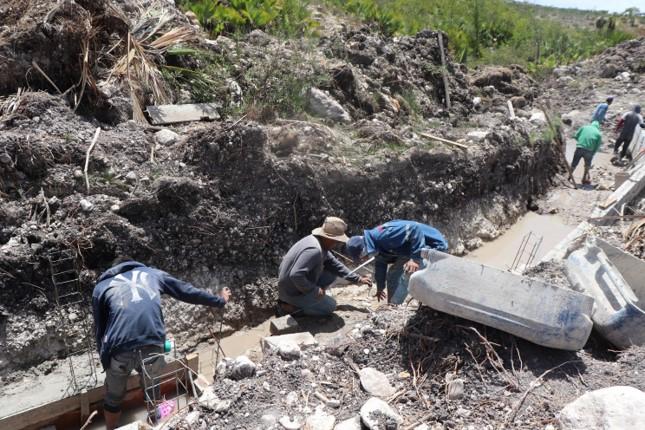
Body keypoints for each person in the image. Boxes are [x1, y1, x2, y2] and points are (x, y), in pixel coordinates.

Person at [92, 260, 231, 430]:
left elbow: (100, 330)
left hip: (119, 350)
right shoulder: (153, 274)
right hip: (152, 343)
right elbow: (186, 291)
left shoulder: (101, 287)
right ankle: (157, 425)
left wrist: (106, 362)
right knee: (152, 391)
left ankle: (111, 428)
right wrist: (219, 300)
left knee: (113, 397)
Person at [277, 217, 372, 316]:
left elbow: (335, 265)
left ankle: (312, 299)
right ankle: (290, 308)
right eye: (336, 240)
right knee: (330, 307)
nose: (337, 243)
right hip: (291, 292)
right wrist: (314, 290)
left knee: (331, 273)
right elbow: (296, 275)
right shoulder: (314, 250)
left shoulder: (318, 243)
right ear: (329, 238)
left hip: (293, 285)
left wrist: (357, 279)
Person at [345, 220, 448, 305]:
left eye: (362, 257)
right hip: (410, 250)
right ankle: (391, 306)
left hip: (433, 245)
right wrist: (380, 288)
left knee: (409, 271)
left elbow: (414, 228)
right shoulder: (375, 244)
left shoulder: (383, 236)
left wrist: (415, 259)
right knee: (393, 274)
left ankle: (395, 305)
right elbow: (380, 264)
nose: (364, 259)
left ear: (364, 249)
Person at [571, 121, 602, 185]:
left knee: (574, 164)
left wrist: (581, 142)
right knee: (587, 166)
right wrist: (593, 153)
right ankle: (584, 179)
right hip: (589, 151)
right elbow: (597, 147)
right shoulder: (598, 133)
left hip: (580, 148)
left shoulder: (584, 127)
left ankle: (569, 177)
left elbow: (576, 136)